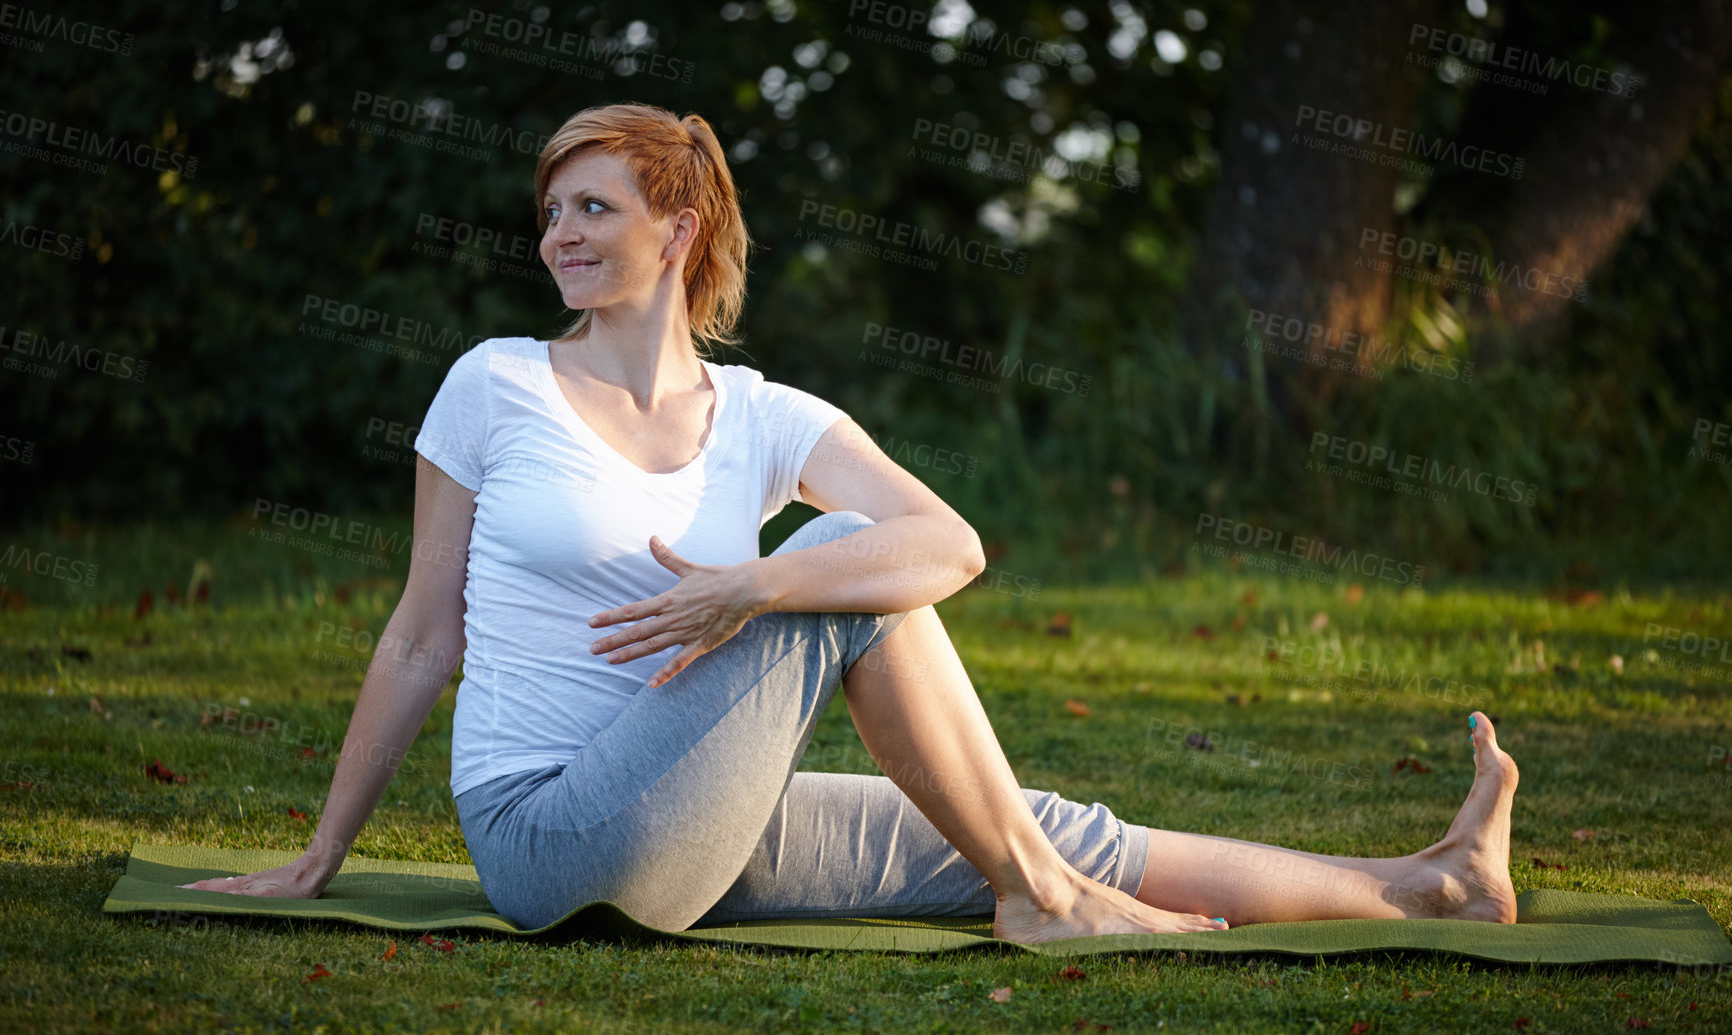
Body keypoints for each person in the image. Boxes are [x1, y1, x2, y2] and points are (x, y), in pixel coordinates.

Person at [180, 102, 1519, 941]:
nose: (558, 235)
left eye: (593, 207)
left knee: (1020, 811)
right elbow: (423, 632)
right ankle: (1043, 903)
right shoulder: (496, 384)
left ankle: (1433, 884)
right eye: (550, 212)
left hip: (700, 813)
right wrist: (321, 854)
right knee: (831, 559)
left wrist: (743, 594)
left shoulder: (759, 412)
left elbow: (952, 544)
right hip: (545, 839)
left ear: (678, 227)